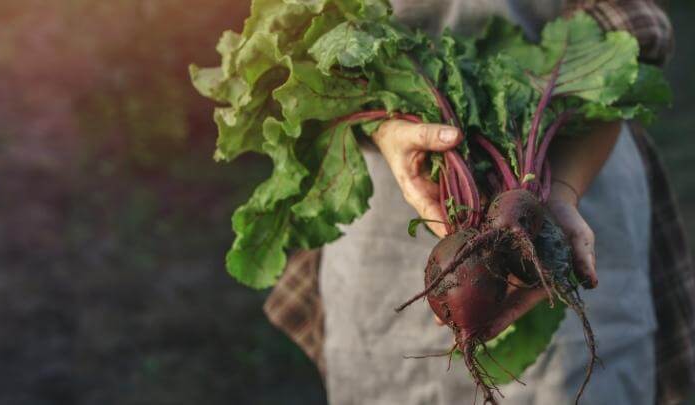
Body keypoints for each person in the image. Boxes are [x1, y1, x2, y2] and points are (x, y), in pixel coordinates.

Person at [263, 1, 695, 404]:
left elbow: (632, 25)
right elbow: (307, 44)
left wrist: (561, 190)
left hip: (576, 166)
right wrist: (383, 129)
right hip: (383, 224)